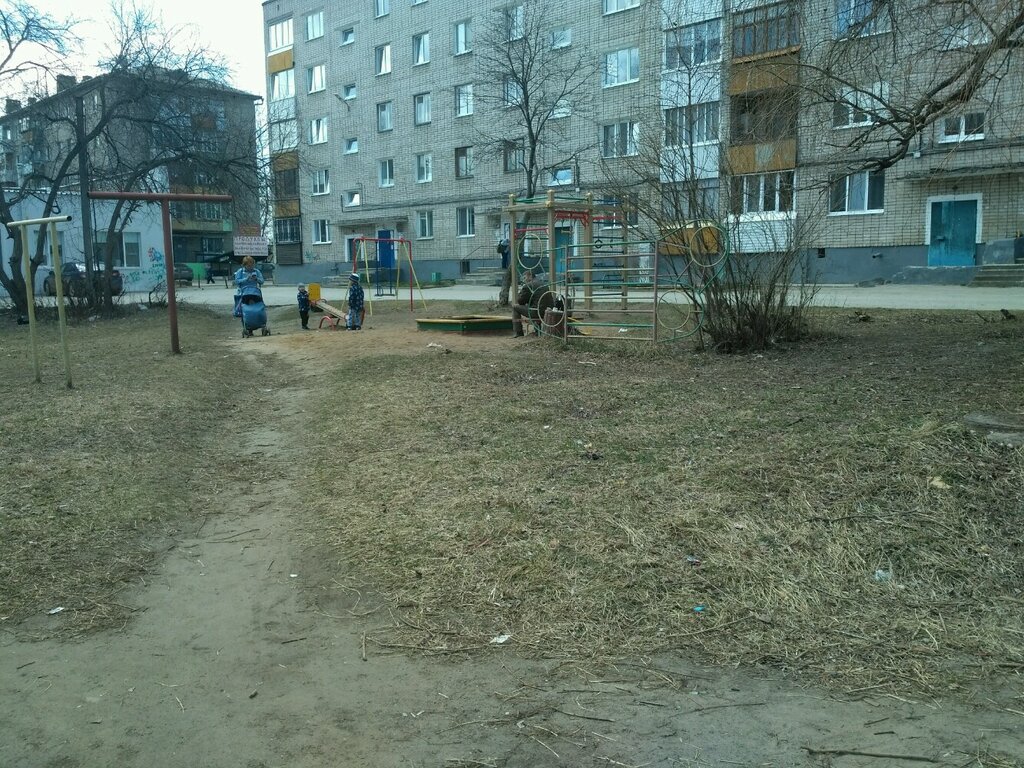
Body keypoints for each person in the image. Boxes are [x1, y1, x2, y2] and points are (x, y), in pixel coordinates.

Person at [512, 269, 556, 337]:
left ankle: (518, 333)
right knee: (533, 305)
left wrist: (520, 293)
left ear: (530, 276)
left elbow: (520, 301)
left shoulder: (528, 286)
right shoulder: (543, 284)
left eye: (525, 278)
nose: (524, 280)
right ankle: (537, 331)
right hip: (548, 311)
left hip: (536, 312)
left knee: (515, 307)